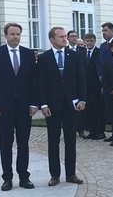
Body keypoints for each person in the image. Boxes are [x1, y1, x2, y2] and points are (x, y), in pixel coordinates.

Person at [0, 23, 38, 191]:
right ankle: (7, 178)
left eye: (18, 34)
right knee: (6, 143)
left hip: (24, 107)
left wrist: (33, 103)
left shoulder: (28, 54)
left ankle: (24, 177)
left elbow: (33, 81)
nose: (15, 37)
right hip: (4, 107)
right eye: (12, 34)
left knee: (23, 142)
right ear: (5, 35)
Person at [36, 27, 87, 186]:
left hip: (71, 104)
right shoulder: (44, 58)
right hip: (53, 106)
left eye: (65, 36)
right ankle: (55, 175)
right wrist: (43, 104)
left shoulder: (75, 56)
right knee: (53, 141)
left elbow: (81, 79)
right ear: (52, 39)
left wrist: (83, 99)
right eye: (61, 37)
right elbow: (40, 84)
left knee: (71, 140)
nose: (65, 39)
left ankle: (71, 174)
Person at [80, 32, 105, 139]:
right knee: (88, 109)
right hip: (85, 86)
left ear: (95, 41)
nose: (89, 43)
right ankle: (91, 130)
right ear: (84, 42)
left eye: (91, 41)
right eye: (87, 41)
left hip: (96, 85)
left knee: (98, 109)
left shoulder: (99, 52)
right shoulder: (81, 53)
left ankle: (99, 131)